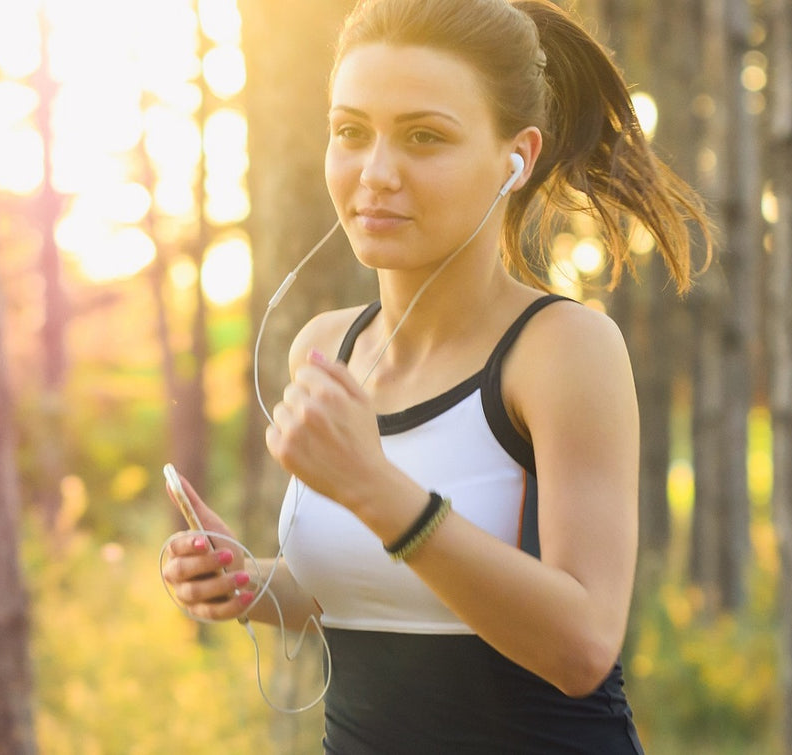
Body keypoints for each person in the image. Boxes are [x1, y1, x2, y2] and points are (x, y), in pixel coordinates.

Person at [161, 0, 710, 751]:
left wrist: (377, 490)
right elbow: (381, 595)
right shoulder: (326, 350)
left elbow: (582, 646)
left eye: (425, 137)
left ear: (515, 157)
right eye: (351, 132)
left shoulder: (562, 350)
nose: (376, 173)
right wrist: (251, 583)